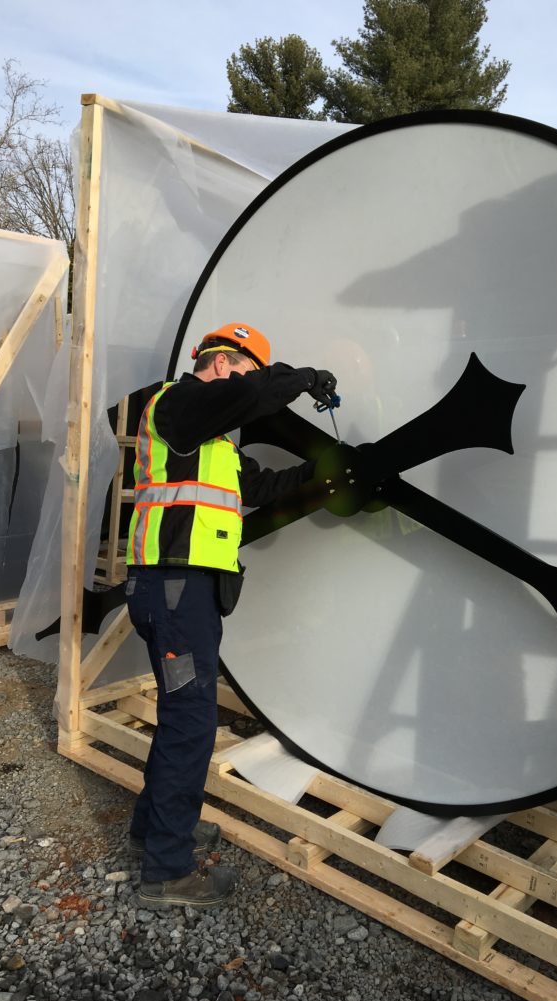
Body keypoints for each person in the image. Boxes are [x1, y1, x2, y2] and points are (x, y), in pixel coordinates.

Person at [123, 322, 337, 908]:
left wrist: (331, 471)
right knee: (191, 722)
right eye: (247, 370)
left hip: (182, 592)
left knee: (180, 716)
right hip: (174, 588)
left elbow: (263, 486)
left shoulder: (210, 441)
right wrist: (301, 378)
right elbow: (251, 396)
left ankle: (155, 829)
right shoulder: (178, 404)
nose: (251, 387)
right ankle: (166, 873)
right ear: (221, 363)